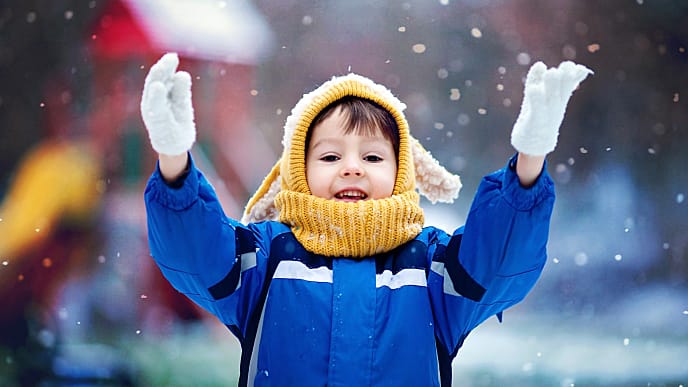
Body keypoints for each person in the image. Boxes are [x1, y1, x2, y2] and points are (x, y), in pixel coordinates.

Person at [141, 53, 591, 386]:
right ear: (299, 171)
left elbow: (498, 266)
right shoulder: (267, 258)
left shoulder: (430, 266)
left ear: (401, 173)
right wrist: (174, 158)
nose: (352, 167)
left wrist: (530, 158)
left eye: (373, 156)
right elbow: (195, 255)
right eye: (331, 155)